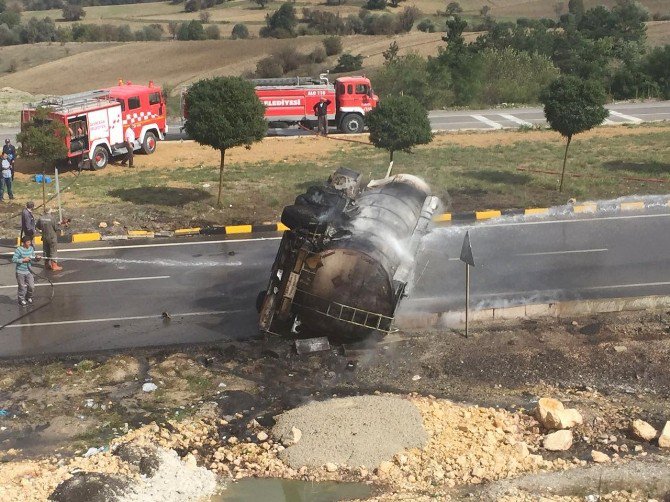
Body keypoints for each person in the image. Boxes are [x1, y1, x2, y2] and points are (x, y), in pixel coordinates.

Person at [12, 235, 38, 306]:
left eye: (30, 242)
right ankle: (21, 300)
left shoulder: (31, 249)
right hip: (20, 272)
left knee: (31, 286)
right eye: (28, 242)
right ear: (23, 243)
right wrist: (23, 260)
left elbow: (33, 258)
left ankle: (28, 297)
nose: (29, 243)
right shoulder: (19, 250)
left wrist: (37, 258)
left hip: (29, 271)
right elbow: (14, 259)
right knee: (22, 287)